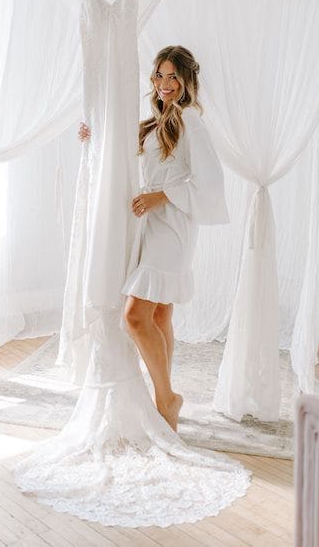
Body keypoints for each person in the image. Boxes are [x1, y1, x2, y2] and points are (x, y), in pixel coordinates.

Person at [78, 45, 229, 432]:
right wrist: (92, 135)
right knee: (159, 314)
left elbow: (209, 183)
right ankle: (167, 396)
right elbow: (122, 156)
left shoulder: (191, 121)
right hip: (152, 225)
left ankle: (166, 399)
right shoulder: (155, 122)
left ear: (186, 80)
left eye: (173, 76)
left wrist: (161, 195)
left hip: (174, 226)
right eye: (160, 76)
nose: (165, 84)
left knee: (135, 315)